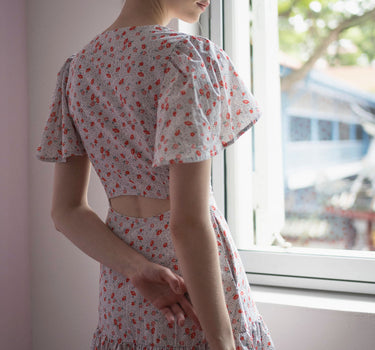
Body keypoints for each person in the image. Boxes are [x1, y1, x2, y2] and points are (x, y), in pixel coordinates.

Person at [35, 0, 275, 349]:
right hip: (191, 278)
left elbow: (66, 212)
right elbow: (187, 223)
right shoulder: (186, 59)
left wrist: (135, 267)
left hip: (126, 279)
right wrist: (221, 340)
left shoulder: (77, 70)